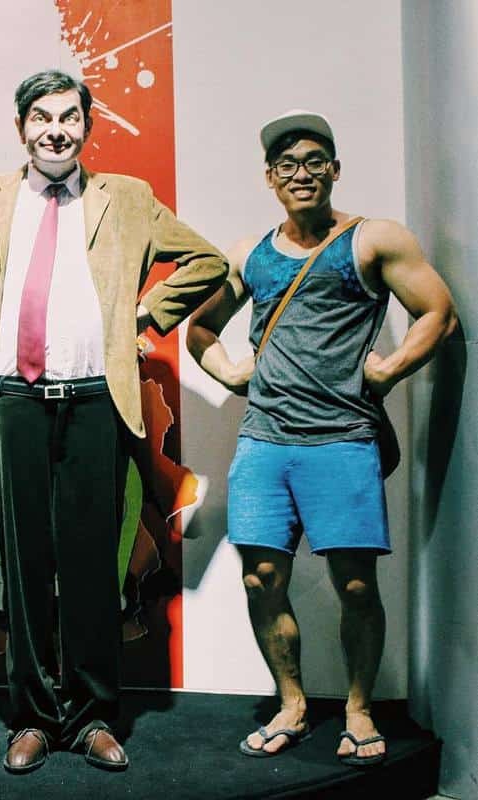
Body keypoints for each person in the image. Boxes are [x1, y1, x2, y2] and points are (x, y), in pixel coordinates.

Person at [0, 70, 227, 773]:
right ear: (21, 127)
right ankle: (33, 718)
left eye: (68, 117)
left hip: (95, 399)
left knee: (92, 568)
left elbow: (207, 261)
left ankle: (92, 716)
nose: (55, 130)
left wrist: (145, 314)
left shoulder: (126, 198)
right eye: (41, 117)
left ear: (87, 126)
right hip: (12, 400)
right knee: (24, 564)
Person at [185, 110, 456, 767]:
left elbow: (437, 313)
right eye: (286, 165)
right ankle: (292, 704)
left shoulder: (371, 239)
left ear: (333, 170)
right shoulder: (250, 254)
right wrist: (230, 371)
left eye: (313, 161)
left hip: (342, 438)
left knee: (355, 585)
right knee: (261, 579)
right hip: (265, 441)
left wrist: (390, 369)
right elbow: (199, 328)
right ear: (270, 178)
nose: (300, 174)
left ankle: (358, 709)